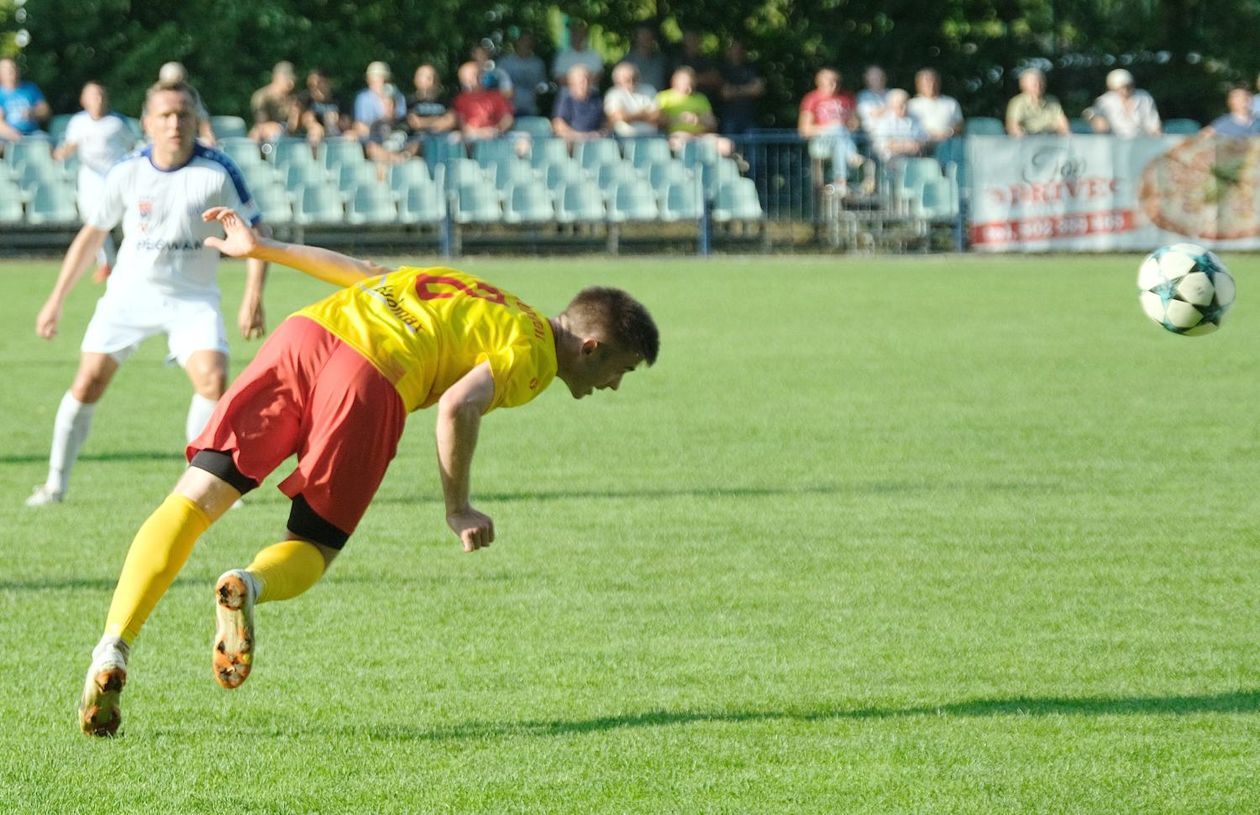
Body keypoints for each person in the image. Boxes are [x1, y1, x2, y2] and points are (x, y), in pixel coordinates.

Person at [76, 205, 660, 737]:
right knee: (312, 544)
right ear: (590, 347)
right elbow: (459, 404)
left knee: (195, 500)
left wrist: (262, 247)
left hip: (305, 335)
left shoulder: (484, 293)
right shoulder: (532, 358)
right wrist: (457, 505)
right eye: (621, 371)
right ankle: (248, 584)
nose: (612, 387)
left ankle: (111, 648)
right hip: (370, 379)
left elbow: (363, 270)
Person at [26, 80, 267, 508]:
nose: (175, 124)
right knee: (88, 383)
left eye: (183, 115)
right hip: (129, 297)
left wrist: (253, 294)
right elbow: (91, 236)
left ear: (196, 120)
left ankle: (198, 485)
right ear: (147, 123)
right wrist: (56, 300)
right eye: (165, 116)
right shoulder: (127, 171)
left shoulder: (218, 170)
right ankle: (54, 486)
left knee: (212, 378)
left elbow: (255, 235)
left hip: (192, 298)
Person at [52, 81, 137, 283]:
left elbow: (132, 145)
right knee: (93, 219)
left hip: (116, 176)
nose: (97, 100)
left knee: (125, 219)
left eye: (100, 95)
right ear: (84, 100)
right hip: (90, 177)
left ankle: (131, 261)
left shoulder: (117, 122)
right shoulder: (78, 122)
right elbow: (71, 144)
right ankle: (107, 263)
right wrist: (62, 152)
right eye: (92, 95)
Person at [798, 67, 862, 187]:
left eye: (837, 81)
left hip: (843, 139)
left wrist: (846, 126)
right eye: (830, 81)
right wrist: (830, 127)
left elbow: (855, 123)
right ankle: (852, 156)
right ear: (819, 82)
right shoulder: (811, 99)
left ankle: (841, 182)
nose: (834, 84)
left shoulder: (847, 97)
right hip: (821, 142)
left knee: (840, 143)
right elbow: (804, 130)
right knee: (837, 130)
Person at [656, 66, 731, 156]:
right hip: (677, 136)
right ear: (675, 81)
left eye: (691, 83)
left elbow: (712, 124)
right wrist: (679, 119)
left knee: (725, 145)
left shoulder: (701, 99)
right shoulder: (664, 97)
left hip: (702, 135)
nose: (689, 87)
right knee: (683, 143)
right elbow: (658, 122)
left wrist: (697, 120)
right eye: (686, 83)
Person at [1085, 69, 1161, 137]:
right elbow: (1093, 117)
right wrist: (1096, 121)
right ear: (1112, 88)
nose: (1125, 90)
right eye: (1121, 87)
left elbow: (1154, 123)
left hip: (1141, 141)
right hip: (1114, 143)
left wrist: (1158, 139)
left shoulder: (1144, 98)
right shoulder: (1104, 101)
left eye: (1128, 86)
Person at [157, 62, 218, 146]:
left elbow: (202, 119)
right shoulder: (154, 97)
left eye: (178, 84)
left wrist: (208, 137)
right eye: (170, 84)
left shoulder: (191, 95)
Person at [452, 62, 515, 142]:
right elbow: (460, 123)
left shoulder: (496, 96)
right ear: (463, 80)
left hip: (494, 137)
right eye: (470, 76)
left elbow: (507, 118)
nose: (475, 79)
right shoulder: (459, 100)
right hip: (470, 138)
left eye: (477, 74)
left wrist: (497, 130)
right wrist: (479, 133)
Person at [248, 61, 302, 144]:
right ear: (277, 77)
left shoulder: (293, 98)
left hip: (287, 137)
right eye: (287, 79)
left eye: (292, 80)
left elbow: (293, 128)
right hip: (264, 136)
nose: (291, 84)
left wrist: (295, 116)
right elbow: (262, 123)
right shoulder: (262, 96)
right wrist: (278, 128)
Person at [718, 40, 764, 136]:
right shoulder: (723, 69)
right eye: (734, 49)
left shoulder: (752, 68)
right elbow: (725, 93)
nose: (737, 52)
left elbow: (758, 90)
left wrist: (735, 90)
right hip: (729, 119)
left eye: (739, 49)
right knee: (729, 149)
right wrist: (748, 89)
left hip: (750, 117)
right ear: (729, 51)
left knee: (753, 150)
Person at [1005, 67, 1069, 137]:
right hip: (1027, 141)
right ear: (1023, 85)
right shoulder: (1017, 103)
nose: (1038, 85)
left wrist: (1066, 135)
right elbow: (1013, 126)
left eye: (1040, 81)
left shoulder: (1052, 100)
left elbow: (1063, 124)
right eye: (1033, 82)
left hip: (1050, 139)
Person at [0, 57, 50, 146]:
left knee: (45, 142)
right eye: (7, 69)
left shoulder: (30, 88)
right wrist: (14, 136)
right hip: (7, 136)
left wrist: (33, 112)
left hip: (32, 134)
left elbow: (45, 111)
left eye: (13, 67)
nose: (11, 71)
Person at [868, 88, 927, 163]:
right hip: (891, 162)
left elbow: (924, 138)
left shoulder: (915, 119)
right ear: (892, 106)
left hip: (914, 159)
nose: (904, 108)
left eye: (906, 104)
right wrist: (905, 146)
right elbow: (881, 145)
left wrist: (917, 144)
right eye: (900, 105)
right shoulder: (884, 122)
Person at [604, 62, 661, 138]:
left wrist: (630, 115)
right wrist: (644, 113)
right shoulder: (613, 94)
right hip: (624, 137)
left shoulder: (649, 90)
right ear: (618, 80)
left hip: (651, 135)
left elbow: (657, 116)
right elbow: (620, 117)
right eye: (627, 79)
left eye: (634, 78)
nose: (631, 82)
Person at [552, 65, 607, 144]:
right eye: (581, 82)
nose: (585, 84)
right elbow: (558, 125)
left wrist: (600, 133)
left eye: (587, 80)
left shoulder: (597, 99)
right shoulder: (565, 101)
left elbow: (606, 121)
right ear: (572, 83)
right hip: (573, 141)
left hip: (595, 139)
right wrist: (579, 136)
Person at [498, 31, 549, 117]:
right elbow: (496, 85)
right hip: (507, 109)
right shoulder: (504, 62)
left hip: (530, 108)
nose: (526, 43)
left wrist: (540, 89)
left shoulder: (538, 64)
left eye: (529, 41)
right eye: (523, 40)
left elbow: (542, 86)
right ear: (517, 42)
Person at [352, 61, 406, 141]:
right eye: (374, 80)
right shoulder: (363, 98)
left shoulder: (398, 96)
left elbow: (400, 118)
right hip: (372, 138)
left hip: (396, 135)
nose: (379, 83)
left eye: (382, 79)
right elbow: (361, 124)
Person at [907, 68, 964, 143]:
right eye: (926, 83)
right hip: (920, 146)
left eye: (933, 82)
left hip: (946, 144)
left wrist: (949, 132)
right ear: (918, 84)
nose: (931, 86)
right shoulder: (911, 105)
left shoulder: (951, 103)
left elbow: (960, 126)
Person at [405, 64, 457, 138]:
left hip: (443, 138)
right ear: (416, 79)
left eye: (433, 76)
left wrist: (424, 122)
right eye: (425, 76)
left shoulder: (445, 101)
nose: (431, 80)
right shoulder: (410, 102)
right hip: (419, 139)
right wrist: (439, 120)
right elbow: (414, 123)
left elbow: (451, 122)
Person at [297, 67, 346, 146]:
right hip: (310, 136)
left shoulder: (338, 99)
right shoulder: (305, 98)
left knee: (351, 135)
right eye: (311, 85)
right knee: (315, 133)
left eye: (319, 83)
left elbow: (347, 121)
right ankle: (315, 158)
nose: (315, 87)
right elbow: (305, 120)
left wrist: (338, 122)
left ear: (328, 83)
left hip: (336, 132)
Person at [673, 30, 723, 101]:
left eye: (696, 40)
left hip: (706, 100)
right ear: (685, 42)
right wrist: (703, 78)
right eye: (691, 40)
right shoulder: (678, 60)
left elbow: (715, 79)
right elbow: (676, 80)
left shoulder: (707, 60)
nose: (694, 42)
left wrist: (691, 79)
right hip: (683, 101)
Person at [552, 19, 605, 85]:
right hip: (567, 94)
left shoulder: (595, 56)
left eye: (581, 34)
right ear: (571, 35)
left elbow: (599, 76)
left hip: (592, 94)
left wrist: (573, 79)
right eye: (575, 34)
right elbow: (559, 79)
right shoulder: (562, 57)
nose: (578, 37)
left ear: (586, 36)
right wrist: (581, 85)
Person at [621, 24, 669, 94]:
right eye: (643, 36)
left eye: (648, 36)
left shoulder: (662, 60)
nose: (646, 39)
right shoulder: (627, 61)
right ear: (636, 38)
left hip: (659, 100)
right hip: (634, 100)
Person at [855, 65, 888, 132]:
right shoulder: (862, 96)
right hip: (873, 132)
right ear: (866, 78)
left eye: (879, 75)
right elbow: (873, 113)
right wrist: (891, 108)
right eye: (873, 76)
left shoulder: (891, 93)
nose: (877, 78)